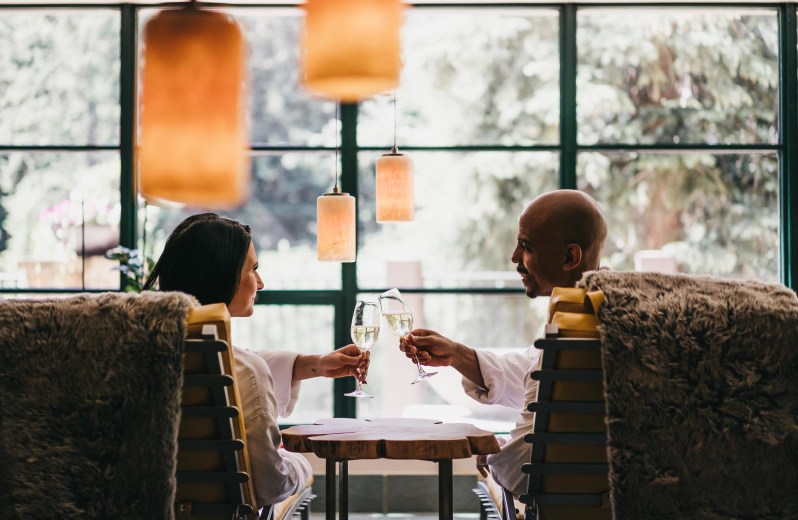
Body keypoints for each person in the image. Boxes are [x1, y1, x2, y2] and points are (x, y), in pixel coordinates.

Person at [142, 213, 369, 507]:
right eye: (253, 270)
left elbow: (234, 364)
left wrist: (313, 364)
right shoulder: (245, 371)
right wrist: (300, 465)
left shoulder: (141, 352)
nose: (260, 283)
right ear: (220, 275)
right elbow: (271, 487)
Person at [400, 189, 608, 497]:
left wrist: (496, 453)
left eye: (525, 246)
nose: (514, 257)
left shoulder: (573, 338)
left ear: (569, 257)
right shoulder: (600, 314)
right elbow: (533, 372)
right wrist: (457, 355)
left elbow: (524, 472)